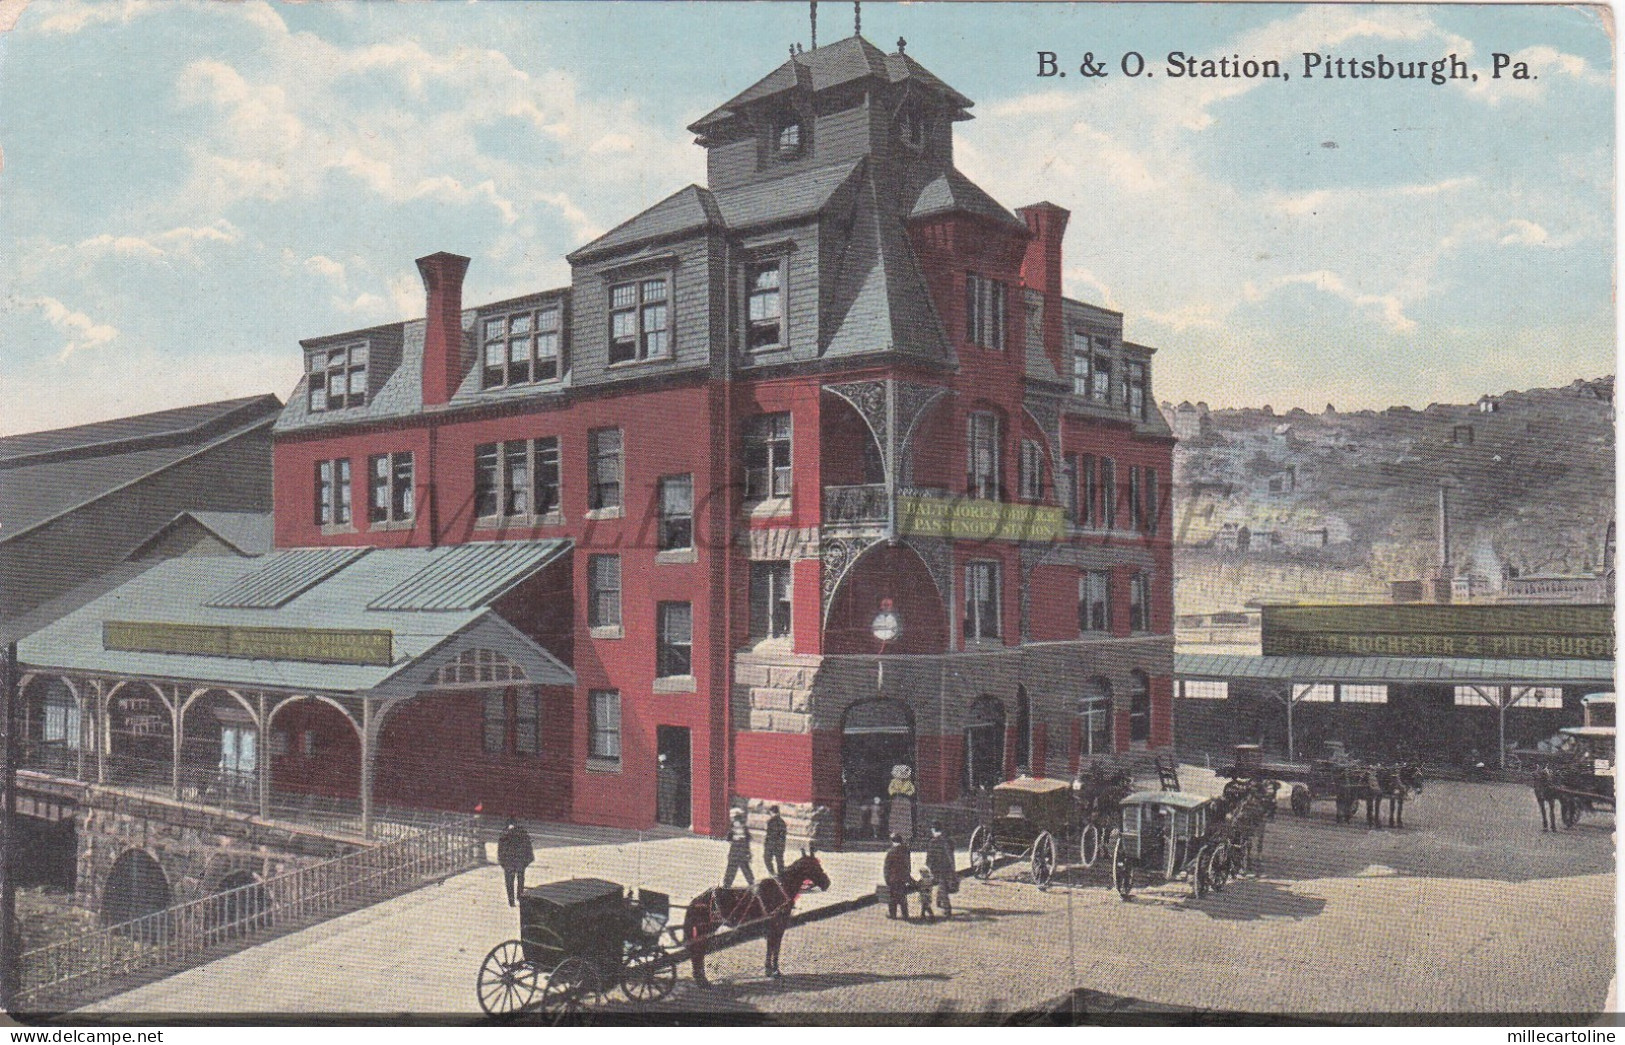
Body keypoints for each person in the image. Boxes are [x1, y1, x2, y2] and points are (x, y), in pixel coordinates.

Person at [922, 821, 958, 919]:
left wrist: (927, 867)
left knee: (942, 888)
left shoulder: (933, 842)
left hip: (938, 868)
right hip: (948, 867)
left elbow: (930, 857)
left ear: (933, 830)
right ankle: (939, 902)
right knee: (942, 885)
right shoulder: (949, 840)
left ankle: (947, 910)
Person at [496, 818, 534, 907]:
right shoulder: (522, 833)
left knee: (511, 881)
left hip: (510, 861)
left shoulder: (504, 834)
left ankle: (512, 900)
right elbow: (528, 847)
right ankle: (518, 897)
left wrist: (502, 861)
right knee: (519, 880)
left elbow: (500, 850)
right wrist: (528, 860)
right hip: (518, 860)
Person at [882, 832, 914, 921]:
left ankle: (893, 914)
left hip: (893, 878)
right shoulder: (906, 850)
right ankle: (905, 914)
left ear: (892, 841)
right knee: (902, 896)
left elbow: (887, 867)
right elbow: (908, 865)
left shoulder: (890, 852)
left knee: (892, 898)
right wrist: (907, 876)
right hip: (902, 878)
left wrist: (886, 878)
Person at [722, 808, 754, 887]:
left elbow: (728, 839)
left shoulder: (732, 828)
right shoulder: (744, 828)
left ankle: (726, 885)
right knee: (746, 868)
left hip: (734, 852)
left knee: (731, 870)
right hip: (743, 852)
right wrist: (748, 852)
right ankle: (752, 884)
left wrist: (735, 839)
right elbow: (748, 839)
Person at [762, 805, 787, 877]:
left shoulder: (771, 821)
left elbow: (770, 834)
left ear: (771, 812)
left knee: (767, 859)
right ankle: (781, 875)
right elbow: (783, 835)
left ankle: (772, 873)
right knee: (780, 861)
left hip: (771, 844)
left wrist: (767, 844)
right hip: (780, 845)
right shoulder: (782, 822)